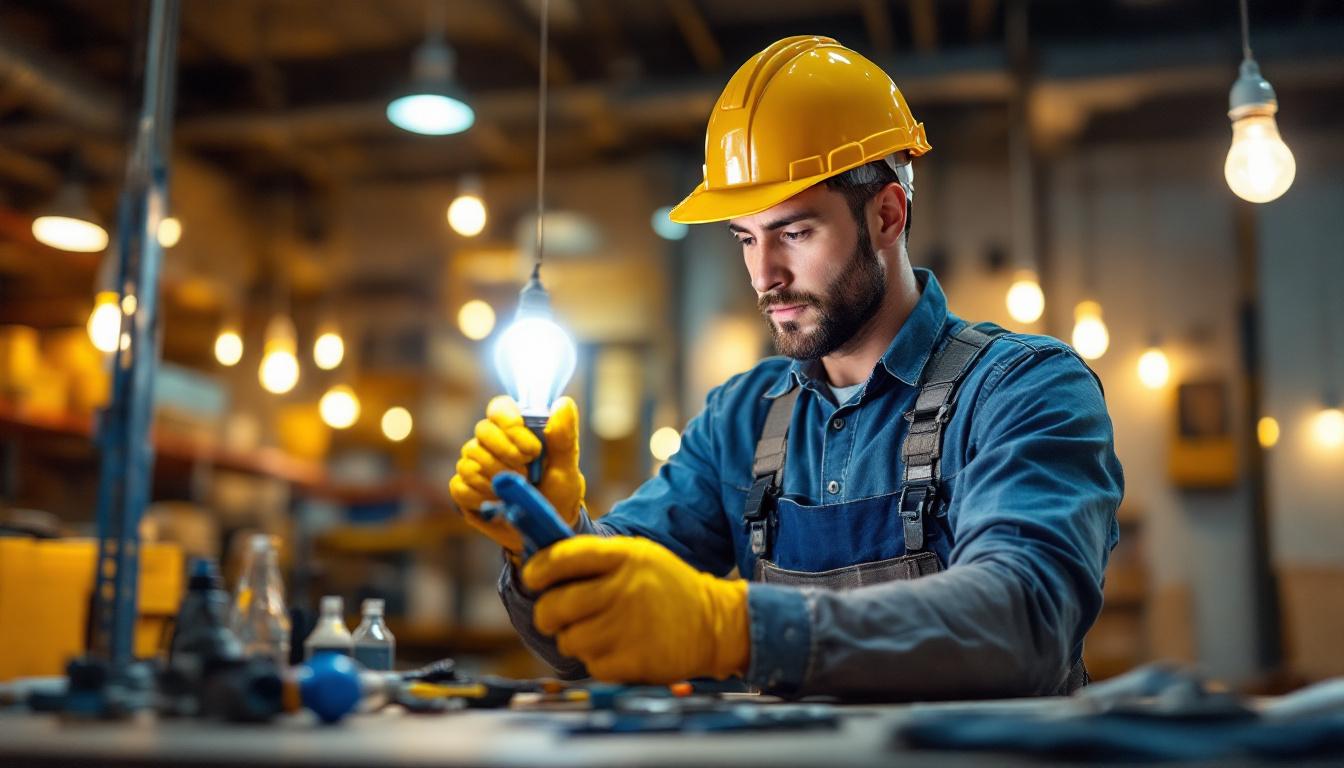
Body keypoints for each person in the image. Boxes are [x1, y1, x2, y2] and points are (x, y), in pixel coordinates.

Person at [449, 35, 1123, 700]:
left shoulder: (1025, 390)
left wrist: (735, 630)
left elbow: (1026, 620)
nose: (765, 275)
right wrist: (548, 538)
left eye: (794, 232)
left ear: (887, 215)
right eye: (746, 237)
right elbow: (582, 644)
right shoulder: (739, 420)